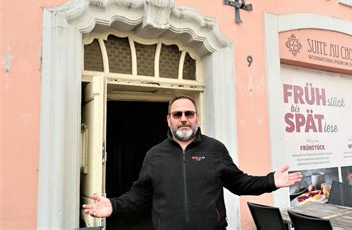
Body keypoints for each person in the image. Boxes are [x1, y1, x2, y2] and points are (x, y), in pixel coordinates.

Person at [83, 94, 302, 230]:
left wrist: (271, 181)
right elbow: (140, 195)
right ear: (169, 119)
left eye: (189, 113)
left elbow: (239, 183)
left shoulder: (215, 149)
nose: (184, 118)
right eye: (177, 114)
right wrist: (114, 205)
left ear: (197, 117)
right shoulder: (155, 155)